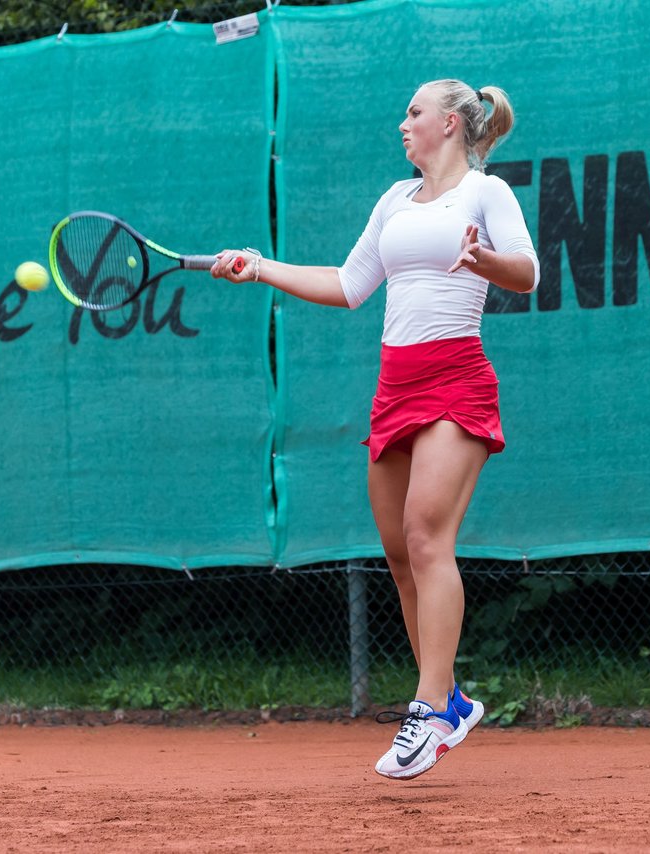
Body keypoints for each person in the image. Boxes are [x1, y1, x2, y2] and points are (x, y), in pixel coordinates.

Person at [211, 79, 539, 779]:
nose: (403, 123)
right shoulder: (394, 200)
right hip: (395, 385)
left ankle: (428, 711)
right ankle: (448, 697)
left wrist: (485, 259)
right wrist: (261, 268)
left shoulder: (487, 193)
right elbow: (349, 285)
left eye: (413, 112)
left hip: (457, 376)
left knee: (427, 534)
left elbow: (529, 272)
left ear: (450, 124)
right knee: (399, 553)